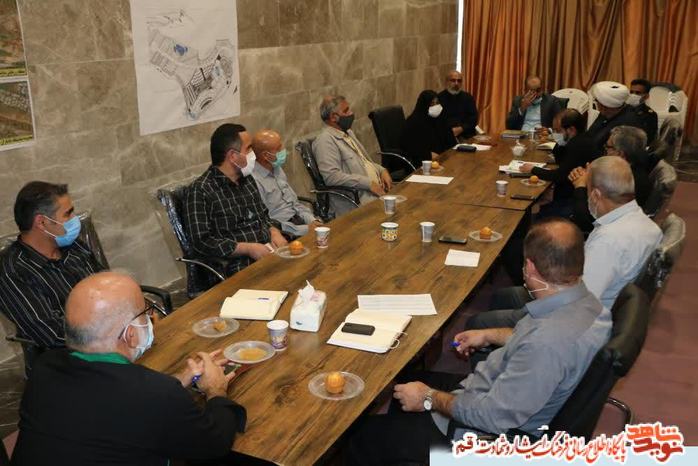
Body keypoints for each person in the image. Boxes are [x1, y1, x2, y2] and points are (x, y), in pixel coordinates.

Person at [346, 219, 611, 465]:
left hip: (481, 432)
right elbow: (533, 341)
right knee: (404, 387)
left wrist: (428, 398)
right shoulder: (590, 307)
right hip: (494, 390)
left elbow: (491, 417)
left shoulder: (546, 344)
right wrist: (489, 335)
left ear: (530, 267)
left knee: (358, 437)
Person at [11, 272, 255, 466]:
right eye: (146, 313)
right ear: (130, 334)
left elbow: (108, 403)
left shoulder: (44, 368)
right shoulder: (155, 395)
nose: (151, 319)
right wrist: (215, 390)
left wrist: (177, 380)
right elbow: (212, 445)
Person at [469, 156, 662, 336]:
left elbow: (577, 302)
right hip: (585, 303)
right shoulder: (648, 227)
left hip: (573, 321)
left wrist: (541, 282)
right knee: (504, 296)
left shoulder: (610, 241)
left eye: (586, 190)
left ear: (596, 195)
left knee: (478, 321)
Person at [0, 181, 104, 351]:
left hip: (110, 334)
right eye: (68, 214)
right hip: (69, 357)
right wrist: (109, 334)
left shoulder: (74, 247)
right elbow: (51, 334)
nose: (74, 219)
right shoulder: (13, 271)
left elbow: (107, 282)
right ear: (41, 222)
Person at [184, 123, 287, 277]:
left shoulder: (247, 180)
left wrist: (274, 231)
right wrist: (248, 248)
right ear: (233, 156)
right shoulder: (200, 190)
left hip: (269, 253)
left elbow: (264, 216)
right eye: (249, 148)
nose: (253, 154)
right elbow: (202, 242)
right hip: (237, 267)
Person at [313, 95, 392, 217]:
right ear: (333, 117)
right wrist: (368, 183)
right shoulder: (325, 141)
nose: (351, 113)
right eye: (346, 111)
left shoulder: (348, 133)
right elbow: (331, 176)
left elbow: (363, 161)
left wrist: (382, 170)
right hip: (357, 201)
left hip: (377, 194)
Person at [569, 126, 653, 233]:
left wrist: (580, 186)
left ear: (620, 154)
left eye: (608, 147)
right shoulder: (633, 170)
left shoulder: (624, 182)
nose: (605, 151)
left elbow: (586, 221)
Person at [519, 109, 600, 217]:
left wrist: (533, 169)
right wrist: (558, 145)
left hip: (574, 201)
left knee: (538, 217)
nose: (555, 134)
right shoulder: (580, 139)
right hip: (569, 195)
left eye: (558, 130)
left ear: (571, 129)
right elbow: (562, 161)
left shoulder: (578, 145)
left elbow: (560, 175)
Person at [250, 129, 322, 238]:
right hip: (284, 232)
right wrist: (305, 229)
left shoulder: (276, 168)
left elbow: (295, 204)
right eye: (278, 148)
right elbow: (267, 222)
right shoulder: (254, 182)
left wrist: (312, 220)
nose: (283, 150)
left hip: (299, 221)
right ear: (265, 155)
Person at [400, 90, 457, 167]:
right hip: (422, 163)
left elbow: (450, 140)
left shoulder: (440, 119)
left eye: (437, 103)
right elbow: (409, 147)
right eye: (432, 104)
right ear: (424, 105)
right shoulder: (413, 123)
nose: (436, 106)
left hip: (442, 159)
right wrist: (428, 154)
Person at [587, 81, 645, 152]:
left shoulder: (627, 123)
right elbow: (590, 134)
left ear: (604, 105)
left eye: (597, 101)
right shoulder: (606, 114)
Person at [437, 70, 478, 138]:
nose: (456, 83)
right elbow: (437, 120)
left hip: (466, 134)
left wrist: (461, 128)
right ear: (446, 82)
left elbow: (474, 118)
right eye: (453, 80)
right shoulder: (439, 98)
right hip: (445, 135)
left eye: (459, 81)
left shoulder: (468, 98)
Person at [628, 78, 658, 144]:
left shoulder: (650, 115)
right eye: (631, 92)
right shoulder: (622, 109)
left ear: (646, 96)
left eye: (638, 93)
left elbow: (649, 139)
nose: (633, 95)